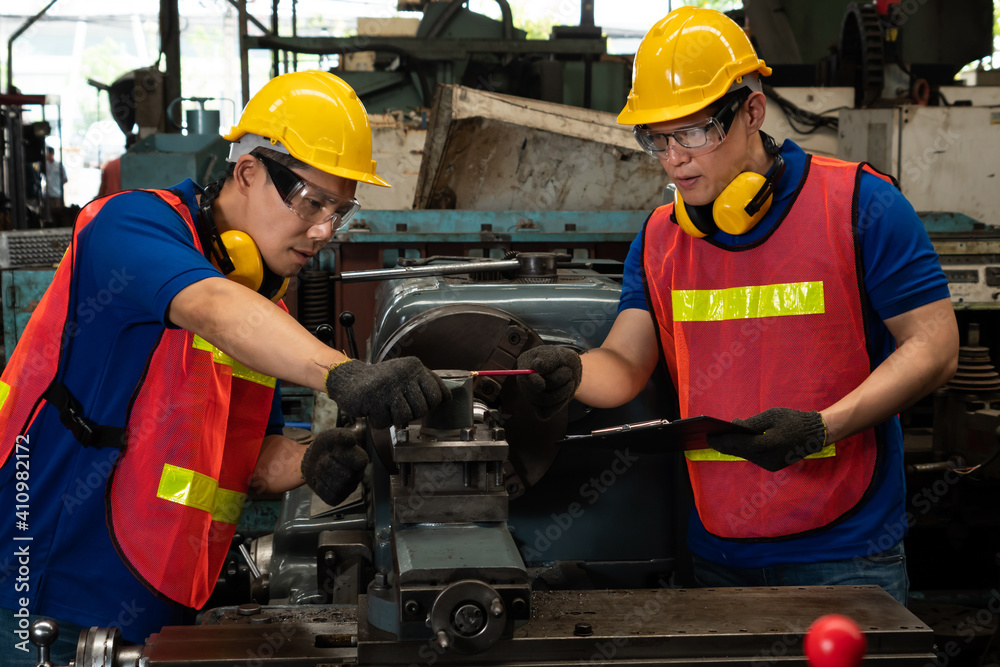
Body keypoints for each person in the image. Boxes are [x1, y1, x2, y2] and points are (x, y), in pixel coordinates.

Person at [0, 70, 446, 665]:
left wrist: (318, 458)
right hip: (40, 603)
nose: (323, 230)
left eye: (340, 212)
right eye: (312, 201)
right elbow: (211, 307)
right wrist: (345, 374)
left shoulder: (263, 303)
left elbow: (246, 464)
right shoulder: (127, 225)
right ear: (248, 171)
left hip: (157, 614)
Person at [516, 7, 958, 606]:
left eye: (694, 132)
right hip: (718, 549)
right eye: (657, 139)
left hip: (845, 551)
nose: (674, 158)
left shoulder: (858, 203)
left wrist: (820, 428)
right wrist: (568, 369)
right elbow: (624, 363)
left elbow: (934, 347)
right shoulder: (661, 236)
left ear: (752, 111)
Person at [44, 146, 67, 212]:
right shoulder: (45, 165)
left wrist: (57, 185)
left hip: (57, 194)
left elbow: (65, 179)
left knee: (57, 212)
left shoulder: (59, 165)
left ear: (51, 154)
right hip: (48, 193)